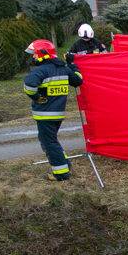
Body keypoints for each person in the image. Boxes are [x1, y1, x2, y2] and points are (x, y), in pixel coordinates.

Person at [23, 39, 84, 182]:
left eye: (35, 54)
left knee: (49, 143)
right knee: (50, 141)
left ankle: (61, 174)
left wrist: (37, 97)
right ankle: (65, 163)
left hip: (44, 115)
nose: (33, 57)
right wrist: (72, 64)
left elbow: (29, 86)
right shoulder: (63, 68)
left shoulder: (40, 71)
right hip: (58, 114)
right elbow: (78, 80)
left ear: (42, 54)